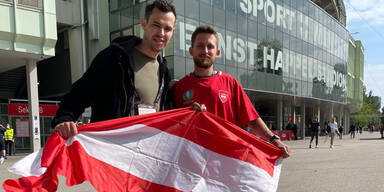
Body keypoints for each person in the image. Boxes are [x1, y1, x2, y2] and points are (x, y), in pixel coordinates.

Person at [52, 0, 176, 139]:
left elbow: (169, 113)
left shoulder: (164, 71)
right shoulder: (114, 58)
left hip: (145, 152)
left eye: (167, 28)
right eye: (156, 25)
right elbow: (80, 93)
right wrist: (64, 119)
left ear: (173, 32)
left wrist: (193, 109)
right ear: (144, 24)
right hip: (111, 151)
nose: (161, 33)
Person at [171, 25, 290, 158]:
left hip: (225, 160)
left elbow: (252, 120)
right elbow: (170, 126)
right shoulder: (178, 87)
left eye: (210, 46)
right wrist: (189, 114)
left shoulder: (230, 83)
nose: (205, 50)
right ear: (191, 50)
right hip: (191, 160)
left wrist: (274, 139)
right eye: (200, 46)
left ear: (217, 53)